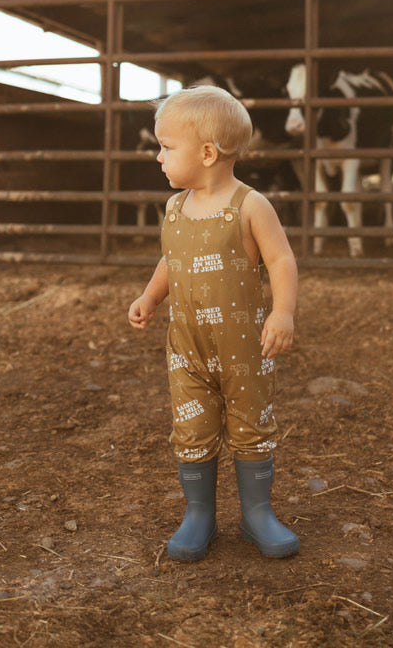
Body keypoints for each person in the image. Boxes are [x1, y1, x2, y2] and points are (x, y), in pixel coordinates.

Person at [128, 84, 299, 561]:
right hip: (187, 348)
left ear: (207, 152)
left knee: (251, 425)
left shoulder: (249, 205)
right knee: (193, 428)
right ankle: (199, 514)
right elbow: (170, 259)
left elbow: (281, 261)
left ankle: (257, 513)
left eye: (166, 147)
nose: (158, 157)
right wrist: (150, 295)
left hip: (245, 347)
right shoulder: (174, 208)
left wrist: (282, 312)